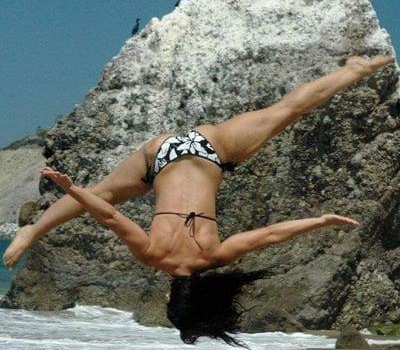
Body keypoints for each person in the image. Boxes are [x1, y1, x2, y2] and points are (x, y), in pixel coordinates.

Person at [2, 54, 393, 347]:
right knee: (103, 191)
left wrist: (320, 221)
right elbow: (106, 214)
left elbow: (272, 235)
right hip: (161, 155)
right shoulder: (154, 255)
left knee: (287, 110)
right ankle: (32, 233)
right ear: (172, 294)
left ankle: (355, 69)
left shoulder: (215, 256)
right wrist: (73, 189)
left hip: (210, 150)